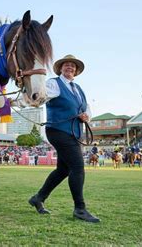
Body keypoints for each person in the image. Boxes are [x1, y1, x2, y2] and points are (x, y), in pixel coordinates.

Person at [28, 54, 100, 223]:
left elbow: (87, 108)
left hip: (73, 132)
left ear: (76, 71)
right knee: (77, 168)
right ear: (61, 68)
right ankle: (80, 209)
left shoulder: (78, 89)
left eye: (73, 66)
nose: (70, 68)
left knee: (63, 170)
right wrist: (30, 98)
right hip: (58, 130)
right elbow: (41, 95)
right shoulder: (54, 83)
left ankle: (38, 198)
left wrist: (86, 116)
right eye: (67, 65)